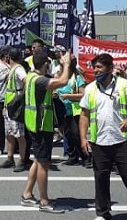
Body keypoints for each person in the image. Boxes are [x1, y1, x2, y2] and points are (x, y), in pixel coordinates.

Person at [79, 53, 127, 220]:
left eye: (100, 67)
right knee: (101, 179)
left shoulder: (123, 85)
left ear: (110, 68)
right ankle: (103, 213)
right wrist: (83, 138)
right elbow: (84, 114)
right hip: (99, 142)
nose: (96, 71)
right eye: (94, 67)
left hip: (122, 141)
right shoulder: (90, 89)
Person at [20, 50, 72, 214]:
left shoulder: (30, 77)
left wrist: (63, 66)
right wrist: (67, 64)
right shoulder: (41, 81)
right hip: (42, 125)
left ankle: (27, 194)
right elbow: (63, 81)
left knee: (37, 160)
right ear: (45, 65)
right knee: (43, 163)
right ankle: (44, 200)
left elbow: (57, 79)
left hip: (33, 123)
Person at [0, 48, 29, 171]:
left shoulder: (19, 69)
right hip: (9, 104)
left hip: (16, 105)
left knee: (19, 134)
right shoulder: (14, 69)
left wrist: (21, 95)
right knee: (9, 133)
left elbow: (26, 80)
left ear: (9, 57)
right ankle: (10, 158)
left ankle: (22, 160)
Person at [56, 58, 87, 166]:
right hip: (63, 110)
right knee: (68, 134)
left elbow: (83, 95)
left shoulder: (77, 78)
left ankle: (85, 157)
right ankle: (72, 156)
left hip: (76, 110)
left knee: (76, 134)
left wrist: (68, 96)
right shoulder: (59, 77)